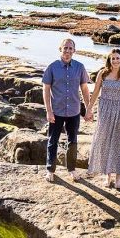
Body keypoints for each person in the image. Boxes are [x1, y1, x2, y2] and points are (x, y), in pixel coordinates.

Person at [42, 38, 92, 183]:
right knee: (53, 141)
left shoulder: (80, 67)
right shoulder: (52, 67)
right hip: (56, 111)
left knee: (73, 142)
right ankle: (50, 170)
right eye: (65, 48)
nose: (68, 51)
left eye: (70, 48)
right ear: (60, 49)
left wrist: (88, 109)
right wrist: (48, 111)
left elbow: (84, 89)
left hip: (74, 111)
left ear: (74, 51)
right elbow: (46, 90)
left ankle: (71, 169)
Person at [86, 48, 120, 188]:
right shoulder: (103, 73)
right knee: (105, 141)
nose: (115, 61)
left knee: (119, 143)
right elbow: (95, 93)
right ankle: (107, 176)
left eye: (118, 58)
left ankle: (119, 177)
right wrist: (89, 109)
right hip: (104, 110)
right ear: (109, 60)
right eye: (113, 58)